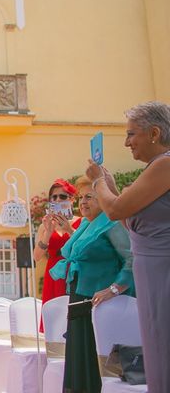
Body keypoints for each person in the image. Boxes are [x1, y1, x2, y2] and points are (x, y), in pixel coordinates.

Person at [85, 101, 170, 393]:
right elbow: (130, 218)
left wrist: (98, 183)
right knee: (157, 344)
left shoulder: (165, 164)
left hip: (163, 270)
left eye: (131, 134)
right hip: (152, 272)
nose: (126, 143)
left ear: (155, 133)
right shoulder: (155, 169)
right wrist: (110, 186)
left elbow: (115, 210)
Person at [50, 176, 135, 393]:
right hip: (79, 298)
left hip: (99, 302)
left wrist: (114, 288)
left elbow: (132, 258)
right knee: (79, 354)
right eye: (80, 197)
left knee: (93, 356)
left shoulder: (111, 223)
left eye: (90, 197)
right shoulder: (86, 224)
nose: (83, 202)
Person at [33, 179, 81, 330]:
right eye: (54, 197)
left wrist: (69, 230)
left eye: (62, 196)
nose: (58, 200)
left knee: (73, 318)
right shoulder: (45, 225)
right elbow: (36, 256)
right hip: (53, 273)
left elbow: (84, 248)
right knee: (54, 321)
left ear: (72, 200)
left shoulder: (82, 221)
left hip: (74, 272)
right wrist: (48, 233)